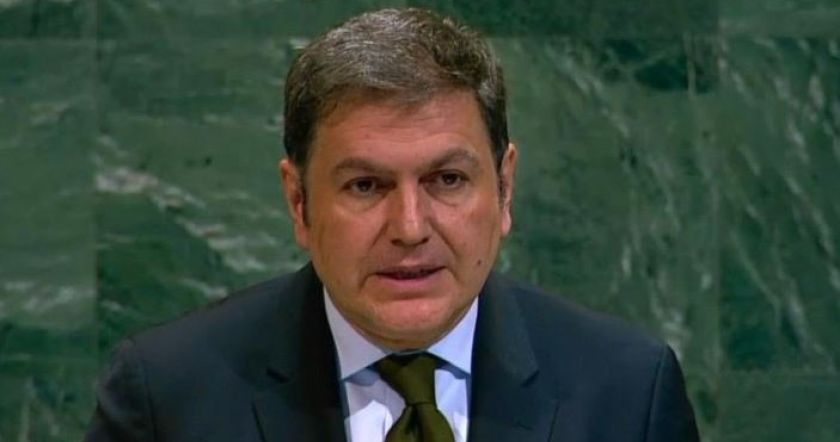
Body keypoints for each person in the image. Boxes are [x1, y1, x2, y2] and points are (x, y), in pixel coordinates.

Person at [85, 7, 700, 442]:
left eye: (447, 180)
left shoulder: (627, 395)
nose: (409, 227)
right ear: (299, 202)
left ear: (505, 187)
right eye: (366, 186)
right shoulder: (167, 398)